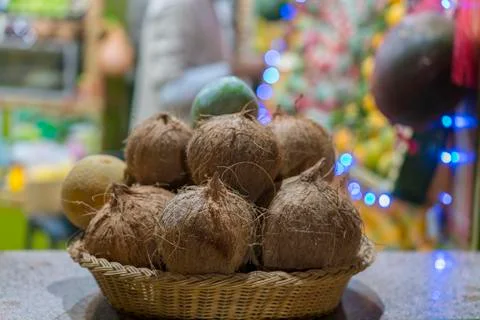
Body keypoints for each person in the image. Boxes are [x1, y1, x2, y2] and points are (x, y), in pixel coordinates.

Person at [130, 0, 264, 128]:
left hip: (199, 140)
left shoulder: (213, 5)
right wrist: (232, 70)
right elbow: (167, 90)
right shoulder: (175, 5)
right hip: (165, 141)